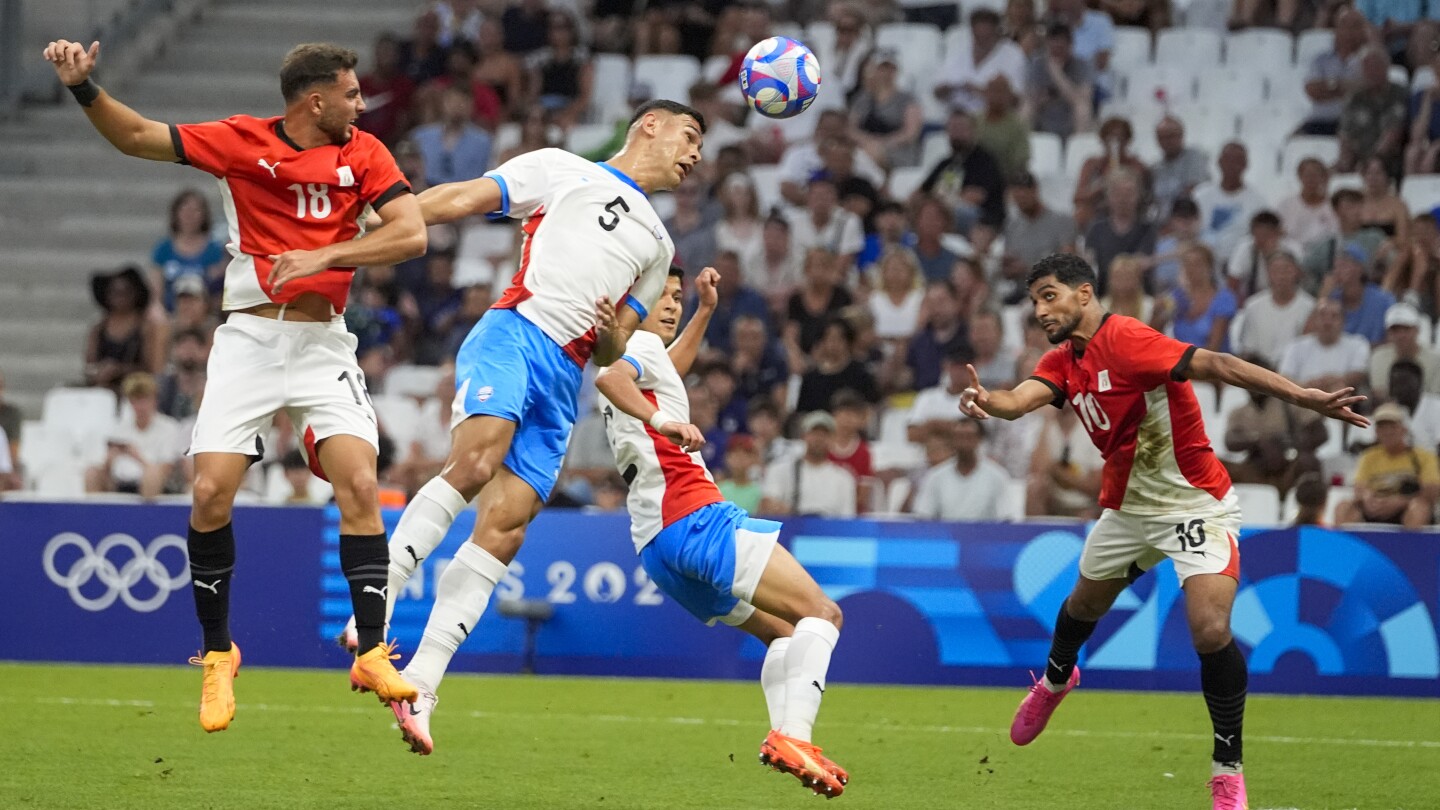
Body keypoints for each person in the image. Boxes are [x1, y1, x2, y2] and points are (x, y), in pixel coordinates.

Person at [45, 38, 429, 731]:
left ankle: (372, 651)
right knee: (210, 491)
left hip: (323, 343)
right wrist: (82, 87)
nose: (360, 103)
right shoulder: (238, 142)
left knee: (363, 485)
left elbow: (411, 234)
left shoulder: (364, 154)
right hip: (249, 342)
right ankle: (219, 653)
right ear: (315, 100)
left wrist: (328, 253)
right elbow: (134, 136)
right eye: (350, 93)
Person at [346, 100, 705, 753]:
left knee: (505, 529)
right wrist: (388, 216)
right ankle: (380, 598)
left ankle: (421, 686)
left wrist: (612, 329)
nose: (695, 154)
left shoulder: (658, 246)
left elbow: (614, 349)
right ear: (649, 124)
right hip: (516, 333)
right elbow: (462, 197)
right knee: (477, 463)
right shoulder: (563, 168)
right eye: (690, 135)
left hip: (566, 375)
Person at [958, 253, 1367, 810]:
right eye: (1034, 300)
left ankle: (1227, 771)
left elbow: (1219, 364)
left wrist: (1304, 397)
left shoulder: (1128, 340)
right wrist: (988, 402)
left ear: (1084, 293)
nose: (1040, 309)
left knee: (1210, 628)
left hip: (1195, 502)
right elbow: (1018, 401)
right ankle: (1056, 680)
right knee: (1081, 606)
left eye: (1049, 295)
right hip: (1128, 510)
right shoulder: (1062, 361)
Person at [1335, 403, 1439, 528]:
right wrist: (1367, 497)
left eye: (1392, 426)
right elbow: (1359, 486)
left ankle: (1410, 545)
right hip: (1376, 505)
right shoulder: (1369, 456)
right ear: (1377, 432)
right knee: (1343, 507)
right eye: (1382, 427)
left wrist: (1401, 502)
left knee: (1419, 508)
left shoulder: (1423, 456)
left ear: (1403, 429)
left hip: (1405, 507)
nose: (1388, 432)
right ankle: (1346, 544)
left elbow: (1432, 491)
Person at [84, 372, 183, 499]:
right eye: (136, 400)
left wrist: (137, 456)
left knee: (152, 474)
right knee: (92, 472)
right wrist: (109, 460)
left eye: (145, 399)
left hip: (155, 484)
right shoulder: (120, 427)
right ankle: (95, 515)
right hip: (121, 482)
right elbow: (104, 467)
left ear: (155, 400)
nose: (140, 406)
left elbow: (166, 469)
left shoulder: (169, 427)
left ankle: (147, 513)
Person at [760, 411, 858, 518]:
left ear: (833, 439)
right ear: (803, 436)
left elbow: (847, 520)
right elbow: (768, 506)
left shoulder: (844, 479)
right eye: (814, 433)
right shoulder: (779, 470)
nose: (819, 439)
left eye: (825, 434)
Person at [85, 264, 166, 392]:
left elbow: (152, 368)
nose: (120, 298)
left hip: (137, 391)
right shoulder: (99, 327)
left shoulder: (146, 327)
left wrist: (119, 370)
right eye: (115, 292)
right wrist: (99, 372)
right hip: (102, 391)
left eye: (125, 292)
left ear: (135, 294)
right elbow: (89, 365)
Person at [911, 419, 1011, 520]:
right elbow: (923, 516)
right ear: (952, 441)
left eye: (969, 437)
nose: (964, 442)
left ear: (979, 439)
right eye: (959, 437)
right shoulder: (936, 476)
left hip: (985, 534)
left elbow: (1006, 518)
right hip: (946, 534)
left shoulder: (997, 476)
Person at [934, 8, 1028, 115]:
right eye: (978, 36)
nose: (982, 40)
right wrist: (950, 89)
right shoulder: (958, 50)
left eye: (986, 37)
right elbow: (937, 92)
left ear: (996, 31)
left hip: (993, 118)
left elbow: (1015, 100)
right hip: (957, 116)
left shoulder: (1013, 54)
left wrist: (979, 91)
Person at [151, 189, 226, 313]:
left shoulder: (215, 250)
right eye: (185, 210)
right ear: (176, 213)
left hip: (205, 313)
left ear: (204, 215)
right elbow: (156, 292)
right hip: (171, 314)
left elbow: (217, 291)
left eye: (195, 211)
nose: (189, 216)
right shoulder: (163, 249)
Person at [1236, 251, 1316, 368]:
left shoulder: (1310, 307)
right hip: (1259, 370)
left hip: (1294, 373)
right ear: (1268, 274)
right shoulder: (1253, 305)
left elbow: (1308, 350)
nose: (1281, 276)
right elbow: (1248, 350)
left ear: (1297, 272)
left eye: (1286, 270)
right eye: (1276, 271)